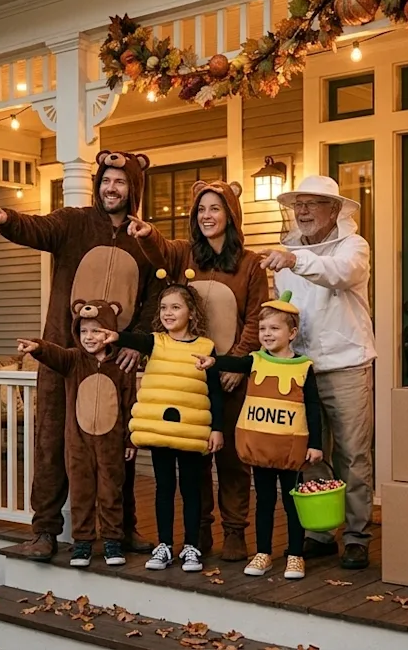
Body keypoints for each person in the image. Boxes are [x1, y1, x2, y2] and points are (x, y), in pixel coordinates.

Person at [0, 150, 157, 561]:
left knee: (117, 448)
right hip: (64, 354)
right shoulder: (75, 222)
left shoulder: (144, 239)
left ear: (134, 188)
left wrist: (134, 342)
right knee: (51, 441)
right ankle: (44, 530)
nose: (111, 188)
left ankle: (123, 527)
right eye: (106, 180)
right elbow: (38, 228)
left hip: (112, 364)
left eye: (120, 181)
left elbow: (152, 299)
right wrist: (7, 219)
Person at [126, 180, 268, 561]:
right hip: (189, 376)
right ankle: (199, 530)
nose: (207, 216)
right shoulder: (186, 255)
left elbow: (256, 318)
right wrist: (147, 232)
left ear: (231, 215)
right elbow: (160, 250)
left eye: (215, 208)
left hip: (229, 375)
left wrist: (236, 362)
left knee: (232, 458)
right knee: (195, 455)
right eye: (201, 209)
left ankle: (234, 530)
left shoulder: (250, 265)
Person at [260, 175, 377, 570]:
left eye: (312, 203)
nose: (303, 211)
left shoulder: (353, 246)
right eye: (299, 204)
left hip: (346, 365)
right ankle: (321, 532)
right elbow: (285, 309)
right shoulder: (288, 254)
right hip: (301, 370)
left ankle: (357, 536)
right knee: (309, 454)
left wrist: (294, 260)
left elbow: (338, 273)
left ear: (335, 209)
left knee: (352, 454)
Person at [99, 272, 224, 573]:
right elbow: (137, 339)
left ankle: (191, 546)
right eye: (164, 308)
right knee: (164, 487)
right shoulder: (156, 342)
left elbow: (215, 391)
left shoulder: (206, 347)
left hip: (192, 431)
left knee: (192, 489)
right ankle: (165, 545)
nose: (168, 313)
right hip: (161, 430)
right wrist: (116, 336)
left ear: (191, 313)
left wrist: (217, 428)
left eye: (176, 307)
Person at [194, 291, 323, 580]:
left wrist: (315, 444)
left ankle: (295, 554)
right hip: (261, 447)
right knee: (264, 500)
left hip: (290, 448)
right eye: (263, 328)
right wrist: (213, 362)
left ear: (292, 333)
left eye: (274, 328)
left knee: (292, 503)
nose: (267, 333)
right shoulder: (254, 360)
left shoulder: (303, 367)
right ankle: (263, 552)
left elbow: (313, 407)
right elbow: (235, 363)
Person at [16, 299, 137, 568]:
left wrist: (130, 440)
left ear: (110, 332)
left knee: (111, 492)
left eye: (96, 331)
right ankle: (82, 542)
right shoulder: (74, 360)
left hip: (111, 443)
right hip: (78, 443)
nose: (89, 337)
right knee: (82, 493)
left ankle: (112, 541)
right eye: (83, 331)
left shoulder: (121, 366)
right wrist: (38, 347)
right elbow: (54, 353)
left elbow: (130, 404)